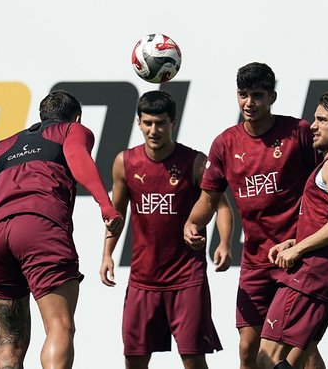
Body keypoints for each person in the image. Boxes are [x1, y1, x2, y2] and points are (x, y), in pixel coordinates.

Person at [184, 62, 328, 369]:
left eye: (257, 95)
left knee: (290, 352)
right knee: (255, 349)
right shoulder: (225, 143)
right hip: (260, 258)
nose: (249, 102)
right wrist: (193, 223)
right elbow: (209, 197)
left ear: (272, 97)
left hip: (301, 260)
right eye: (243, 94)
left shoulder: (301, 135)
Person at [0, 90, 124, 369]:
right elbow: (78, 157)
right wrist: (106, 206)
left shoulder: (0, 147)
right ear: (77, 118)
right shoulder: (72, 130)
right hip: (40, 229)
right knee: (59, 326)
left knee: (10, 344)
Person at [99, 91, 233, 369]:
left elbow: (221, 206)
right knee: (134, 359)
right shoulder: (124, 162)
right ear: (138, 123)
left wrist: (224, 243)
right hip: (143, 278)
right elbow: (116, 214)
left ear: (173, 122)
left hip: (187, 277)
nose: (154, 130)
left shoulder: (195, 162)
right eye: (147, 123)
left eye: (160, 123)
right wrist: (107, 254)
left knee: (193, 358)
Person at [256, 92, 328, 369]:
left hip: (311, 277)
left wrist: (298, 249)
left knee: (267, 358)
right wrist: (294, 241)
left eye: (322, 120)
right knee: (298, 362)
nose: (313, 126)